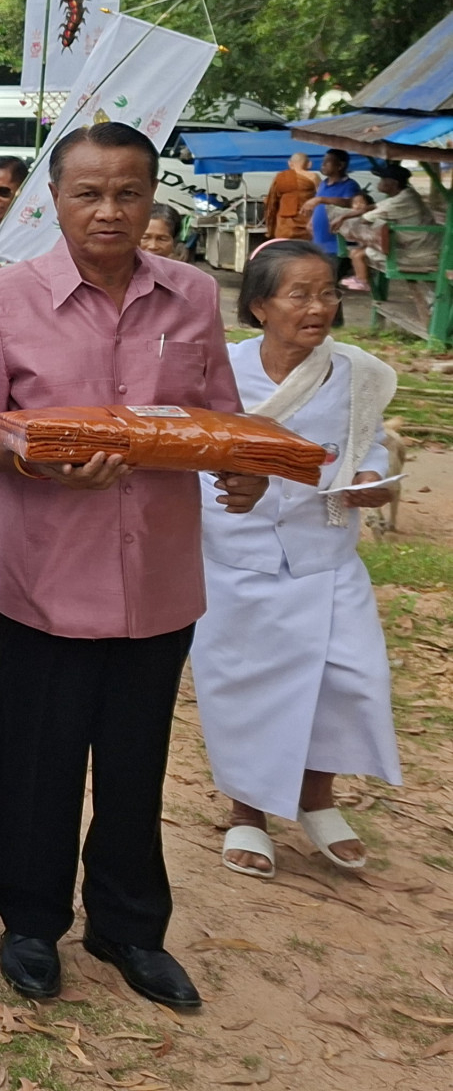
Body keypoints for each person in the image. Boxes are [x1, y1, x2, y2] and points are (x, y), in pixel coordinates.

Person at [0, 122, 268, 1012]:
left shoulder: (191, 294)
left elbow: (216, 416)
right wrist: (34, 464)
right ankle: (29, 921)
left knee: (136, 760)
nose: (108, 211)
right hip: (48, 575)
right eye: (88, 193)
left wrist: (241, 467)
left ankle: (127, 927)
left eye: (128, 193)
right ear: (53, 198)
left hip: (158, 575)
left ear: (150, 196)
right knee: (39, 757)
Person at [193, 242, 400, 882]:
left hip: (326, 555)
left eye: (328, 293)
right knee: (249, 689)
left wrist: (372, 475)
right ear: (260, 306)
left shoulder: (355, 373)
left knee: (349, 680)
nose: (318, 307)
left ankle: (317, 800)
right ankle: (247, 811)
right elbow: (193, 444)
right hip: (238, 555)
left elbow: (372, 443)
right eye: (300, 295)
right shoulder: (222, 370)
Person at [338, 161, 444, 304]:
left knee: (364, 252)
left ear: (393, 183)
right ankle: (433, 301)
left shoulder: (402, 200)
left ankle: (362, 280)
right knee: (362, 251)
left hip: (420, 252)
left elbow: (365, 219)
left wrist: (346, 217)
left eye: (383, 179)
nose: (379, 182)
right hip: (418, 246)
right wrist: (344, 216)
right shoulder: (404, 194)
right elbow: (373, 206)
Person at [306, 149, 364, 266]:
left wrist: (322, 199)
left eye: (327, 162)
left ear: (340, 165)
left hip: (336, 245)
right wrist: (311, 220)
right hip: (319, 242)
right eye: (323, 161)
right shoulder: (323, 184)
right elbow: (319, 206)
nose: (323, 164)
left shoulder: (349, 185)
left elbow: (348, 202)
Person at [264, 151, 317, 242]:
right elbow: (321, 198)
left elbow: (272, 201)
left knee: (285, 248)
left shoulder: (281, 177)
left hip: (285, 226)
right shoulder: (313, 177)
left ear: (289, 163)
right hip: (307, 223)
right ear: (309, 164)